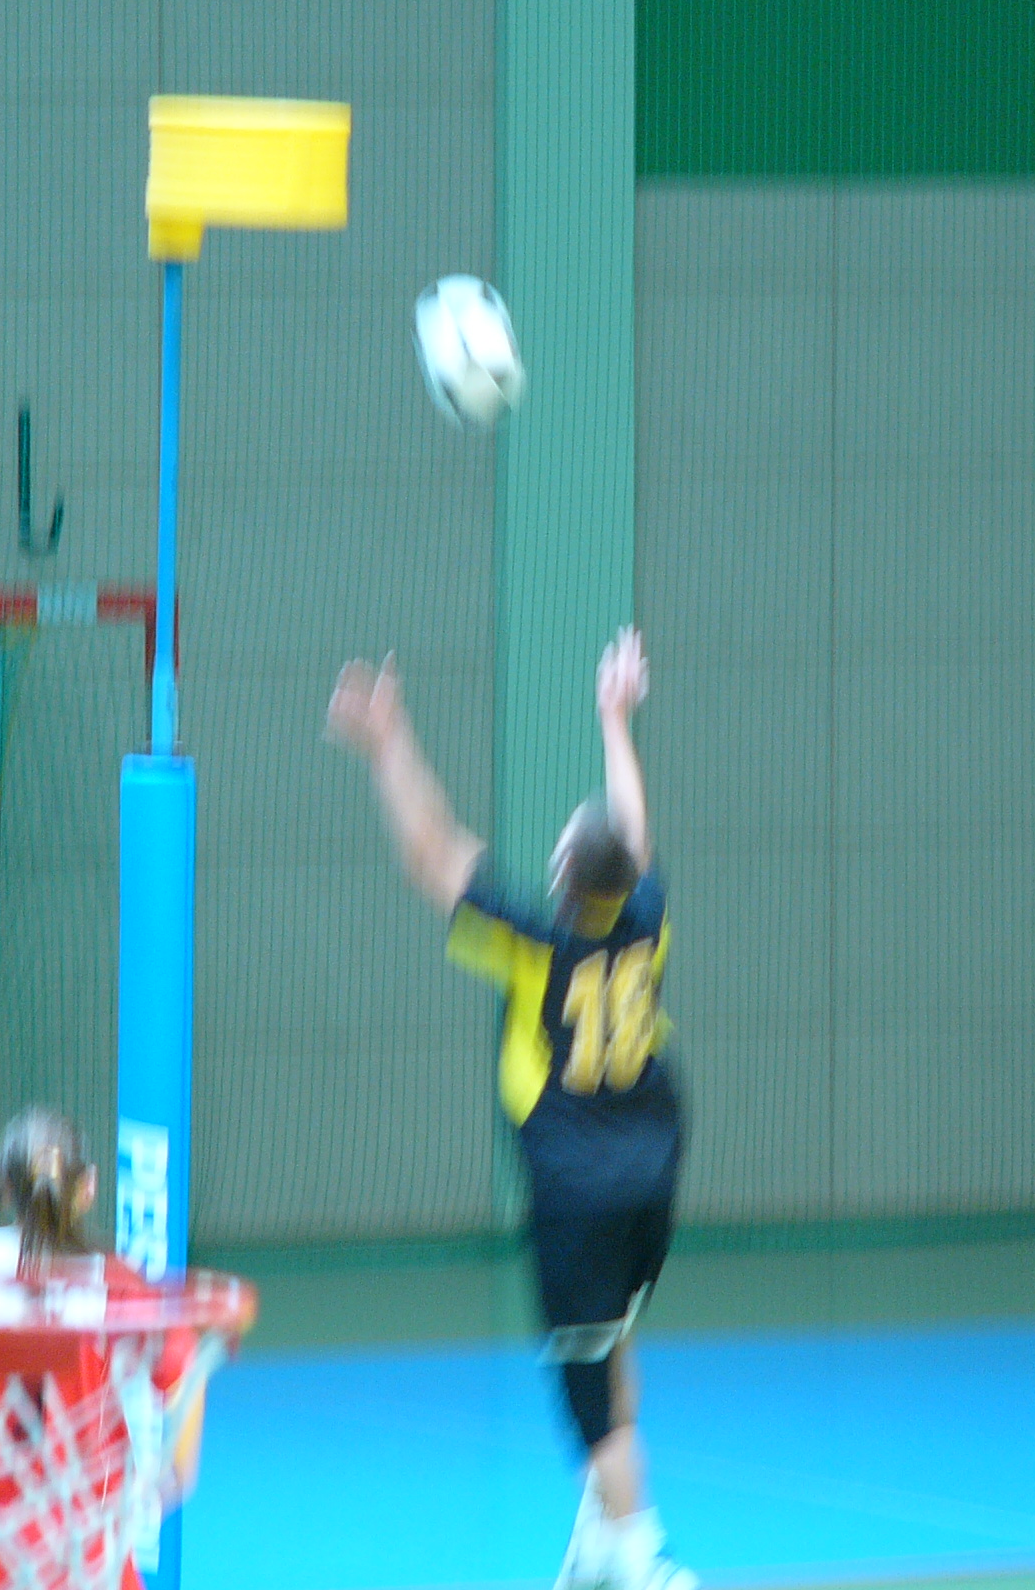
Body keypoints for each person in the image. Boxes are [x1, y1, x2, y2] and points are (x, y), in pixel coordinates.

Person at [327, 626, 695, 1590]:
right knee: (612, 1339)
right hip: (652, 1169)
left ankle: (646, 1558)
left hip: (579, 1188)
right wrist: (614, 718)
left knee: (587, 1396)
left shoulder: (535, 944)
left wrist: (389, 742)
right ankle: (603, 1540)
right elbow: (633, 832)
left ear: (565, 876)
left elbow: (431, 854)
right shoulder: (648, 918)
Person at [0, 1108, 210, 1590]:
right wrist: (170, 1483)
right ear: (88, 1186)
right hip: (89, 1553)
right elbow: (186, 1373)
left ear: (5, 1188)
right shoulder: (115, 1285)